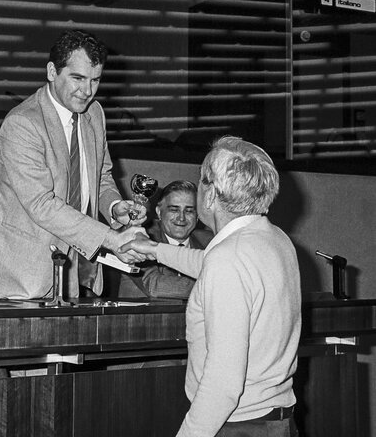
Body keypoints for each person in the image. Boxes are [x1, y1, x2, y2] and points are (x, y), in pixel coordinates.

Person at [120, 136, 301, 437]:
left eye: (202, 180)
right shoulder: (274, 239)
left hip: (238, 425)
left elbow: (223, 384)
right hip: (277, 418)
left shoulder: (229, 259)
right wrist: (154, 249)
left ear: (211, 194)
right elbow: (208, 263)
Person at [0, 29, 147, 300]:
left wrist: (115, 207)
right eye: (77, 78)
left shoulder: (95, 113)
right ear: (51, 71)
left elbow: (100, 176)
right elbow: (42, 205)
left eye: (95, 80)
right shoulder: (22, 123)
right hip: (24, 277)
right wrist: (112, 239)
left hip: (76, 272)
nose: (87, 91)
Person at [117, 180, 213, 299]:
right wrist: (218, 285)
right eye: (174, 210)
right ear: (159, 212)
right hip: (143, 317)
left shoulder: (211, 242)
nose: (181, 218)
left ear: (198, 215)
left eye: (189, 211)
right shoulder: (139, 237)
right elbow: (155, 287)